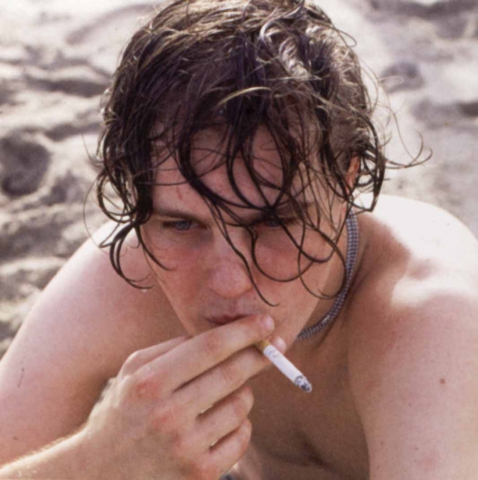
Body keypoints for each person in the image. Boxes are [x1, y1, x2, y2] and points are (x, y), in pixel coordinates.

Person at [1, 0, 477, 478]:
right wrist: (95, 458)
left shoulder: (428, 313)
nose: (228, 282)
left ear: (346, 178)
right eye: (182, 225)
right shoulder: (131, 274)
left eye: (273, 222)